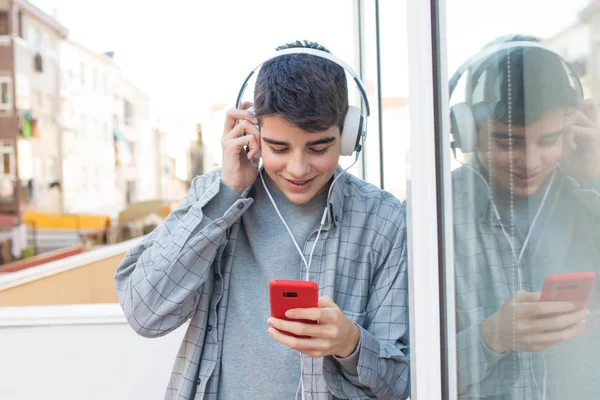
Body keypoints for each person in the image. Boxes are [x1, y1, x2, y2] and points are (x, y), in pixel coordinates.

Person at [115, 40, 410, 400]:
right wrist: (226, 193)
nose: (298, 169)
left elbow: (402, 381)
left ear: (349, 136)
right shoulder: (216, 194)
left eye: (318, 148)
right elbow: (144, 312)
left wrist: (350, 343)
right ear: (250, 130)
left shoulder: (385, 221)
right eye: (279, 148)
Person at [450, 35, 600, 399]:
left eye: (548, 141)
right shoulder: (437, 213)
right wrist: (491, 337)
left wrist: (597, 177)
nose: (530, 162)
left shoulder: (587, 196)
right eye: (508, 142)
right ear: (467, 132)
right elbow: (404, 375)